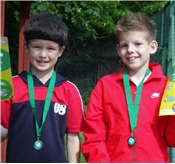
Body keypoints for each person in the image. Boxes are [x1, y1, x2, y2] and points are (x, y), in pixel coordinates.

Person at [81, 12, 175, 162]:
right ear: (118, 50)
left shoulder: (167, 87)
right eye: (125, 45)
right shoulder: (105, 86)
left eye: (137, 44)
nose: (130, 50)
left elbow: (172, 139)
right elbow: (94, 136)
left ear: (152, 47)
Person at [1, 12, 84, 163]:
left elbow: (73, 138)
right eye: (37, 47)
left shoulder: (69, 91)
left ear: (60, 51)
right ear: (27, 47)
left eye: (50, 48)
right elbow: (3, 131)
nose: (43, 54)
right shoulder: (11, 86)